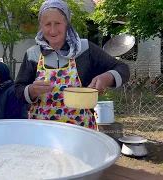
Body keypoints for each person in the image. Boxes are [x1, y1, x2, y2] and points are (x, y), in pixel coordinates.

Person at [14, 0, 130, 129]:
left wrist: (107, 77)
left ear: (67, 24)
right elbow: (18, 90)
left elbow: (123, 69)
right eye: (47, 24)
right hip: (43, 131)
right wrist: (31, 91)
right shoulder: (33, 54)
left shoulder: (85, 49)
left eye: (58, 23)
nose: (52, 30)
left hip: (80, 130)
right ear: (41, 25)